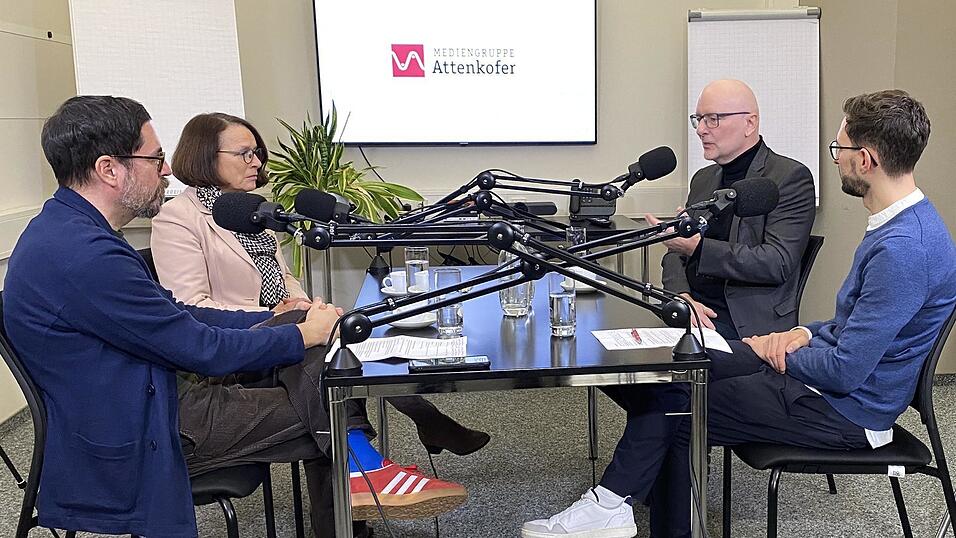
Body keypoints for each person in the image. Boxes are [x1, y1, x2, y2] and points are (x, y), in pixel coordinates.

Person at [2, 96, 463, 538]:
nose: (166, 169)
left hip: (152, 394)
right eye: (155, 158)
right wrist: (301, 335)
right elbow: (199, 349)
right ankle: (364, 467)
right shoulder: (84, 255)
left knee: (309, 351)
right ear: (109, 169)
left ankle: (362, 472)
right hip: (148, 427)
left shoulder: (71, 232)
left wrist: (292, 322)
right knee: (330, 398)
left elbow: (177, 315)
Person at [522, 90, 956, 538]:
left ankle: (611, 505)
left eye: (839, 148)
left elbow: (845, 371)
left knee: (679, 404)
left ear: (865, 160)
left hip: (846, 412)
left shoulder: (904, 250)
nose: (836, 158)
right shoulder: (902, 227)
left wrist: (777, 351)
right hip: (824, 384)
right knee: (673, 382)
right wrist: (804, 333)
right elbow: (852, 327)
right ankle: (613, 506)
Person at [150, 112, 489, 461]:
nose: (257, 162)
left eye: (258, 152)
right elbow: (191, 308)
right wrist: (274, 315)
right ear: (205, 156)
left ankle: (358, 478)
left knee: (333, 351)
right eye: (244, 154)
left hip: (284, 333)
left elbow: (283, 277)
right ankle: (406, 432)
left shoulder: (252, 211)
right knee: (330, 355)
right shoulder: (177, 219)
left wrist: (302, 305)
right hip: (238, 350)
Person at [646, 79, 816, 340]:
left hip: (745, 325)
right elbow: (676, 253)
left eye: (712, 119)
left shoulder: (789, 177)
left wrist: (698, 248)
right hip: (693, 313)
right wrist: (682, 296)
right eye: (698, 119)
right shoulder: (703, 179)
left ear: (750, 123)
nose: (701, 130)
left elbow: (777, 262)